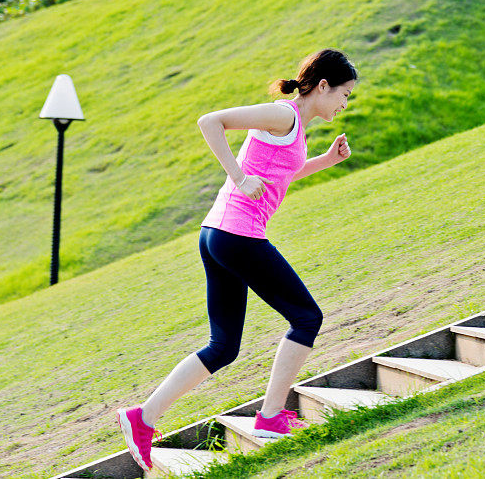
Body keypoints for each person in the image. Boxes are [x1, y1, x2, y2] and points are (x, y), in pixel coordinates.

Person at [116, 48, 358, 471]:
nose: (344, 104)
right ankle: (269, 418)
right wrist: (238, 177)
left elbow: (281, 174)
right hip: (236, 234)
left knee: (223, 346)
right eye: (345, 94)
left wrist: (326, 161)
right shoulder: (283, 115)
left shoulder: (294, 126)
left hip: (218, 235)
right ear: (323, 86)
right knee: (306, 318)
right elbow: (210, 122)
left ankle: (143, 417)